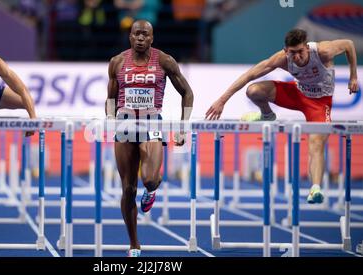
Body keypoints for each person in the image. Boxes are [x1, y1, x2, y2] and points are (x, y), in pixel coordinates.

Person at [205, 28, 359, 204]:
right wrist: (222, 100)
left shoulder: (323, 51)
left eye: (300, 52)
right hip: (297, 94)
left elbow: (349, 44)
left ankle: (315, 188)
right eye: (292, 53)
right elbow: (249, 75)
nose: (297, 57)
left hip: (319, 103)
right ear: (286, 51)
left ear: (307, 48)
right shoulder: (281, 58)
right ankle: (267, 115)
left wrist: (353, 76)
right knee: (254, 90)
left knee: (316, 143)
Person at [106, 20, 194, 257]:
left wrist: (183, 127)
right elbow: (111, 98)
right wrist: (109, 119)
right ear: (130, 37)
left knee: (150, 180)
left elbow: (187, 92)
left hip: (152, 123)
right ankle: (134, 244)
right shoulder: (117, 62)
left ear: (152, 38)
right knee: (127, 189)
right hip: (124, 123)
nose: (141, 38)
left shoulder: (164, 61)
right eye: (137, 34)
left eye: (146, 34)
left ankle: (153, 189)